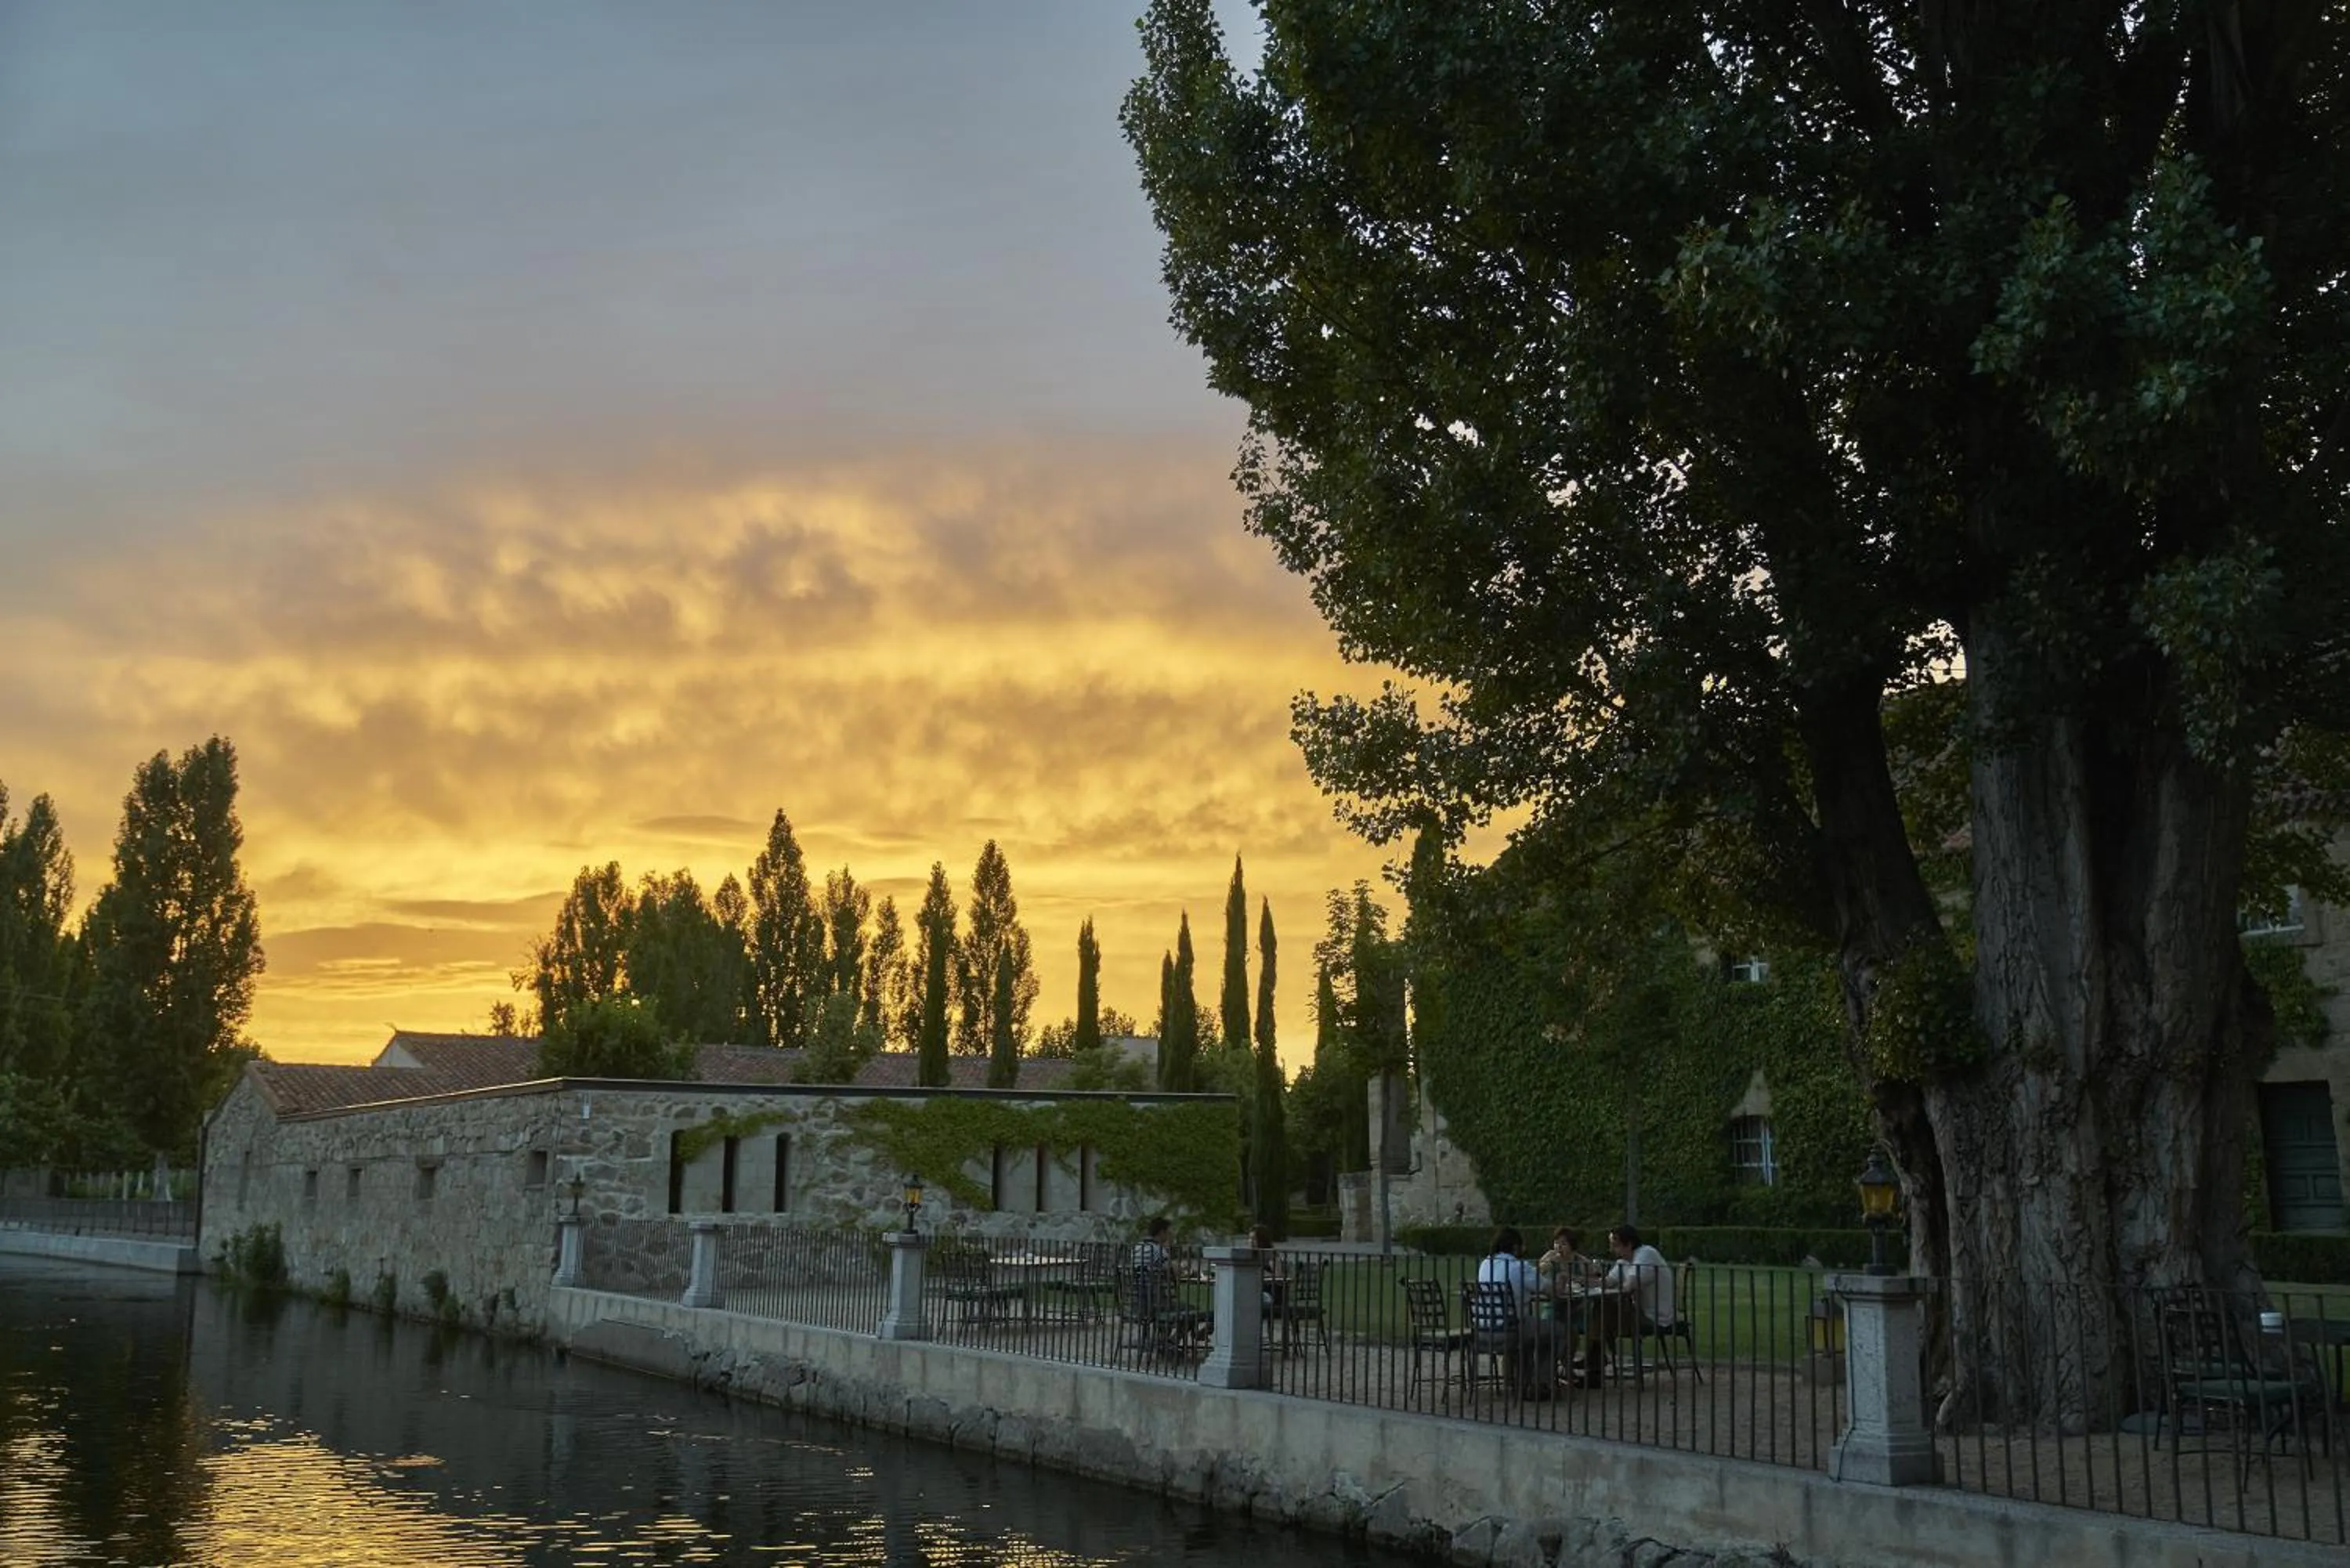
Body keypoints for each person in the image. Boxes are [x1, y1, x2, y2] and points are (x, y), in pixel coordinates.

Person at [1579, 1223, 1676, 1386]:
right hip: (1637, 1313)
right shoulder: (1624, 1262)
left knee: (1602, 1310)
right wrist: (1577, 1280)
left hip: (1655, 1316)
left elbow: (1630, 1285)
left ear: (1629, 1244)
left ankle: (1594, 1362)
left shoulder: (1646, 1254)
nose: (1612, 1250)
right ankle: (1594, 1361)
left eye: (1615, 1245)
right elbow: (1606, 1283)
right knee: (1601, 1310)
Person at [1474, 1227, 1561, 1398]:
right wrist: (1559, 1276)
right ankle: (1540, 1382)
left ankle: (1521, 1380)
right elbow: (1548, 1289)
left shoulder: (1485, 1264)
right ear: (1515, 1247)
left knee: (1533, 1330)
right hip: (1511, 1330)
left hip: (1484, 1330)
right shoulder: (1518, 1267)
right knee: (1559, 1332)